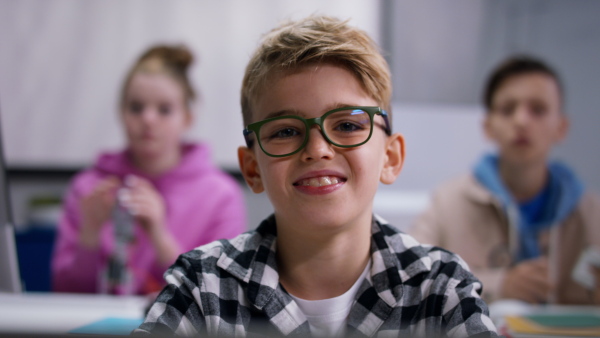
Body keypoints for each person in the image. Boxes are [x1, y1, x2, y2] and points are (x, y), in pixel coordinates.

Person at [133, 16, 498, 337]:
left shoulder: (440, 287)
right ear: (252, 168)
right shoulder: (200, 286)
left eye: (348, 125)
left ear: (390, 157)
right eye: (285, 131)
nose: (318, 149)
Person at [51, 44, 247, 295]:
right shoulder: (87, 189)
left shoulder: (221, 195)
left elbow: (223, 297)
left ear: (187, 118)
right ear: (121, 113)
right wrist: (89, 234)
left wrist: (160, 236)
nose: (148, 119)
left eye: (164, 109)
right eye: (136, 107)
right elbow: (64, 292)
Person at [409, 55, 600, 305]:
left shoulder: (591, 213)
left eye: (538, 109)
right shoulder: (448, 203)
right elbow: (411, 277)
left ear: (561, 127)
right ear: (488, 126)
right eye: (507, 109)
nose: (521, 121)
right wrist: (499, 285)